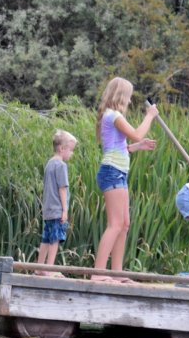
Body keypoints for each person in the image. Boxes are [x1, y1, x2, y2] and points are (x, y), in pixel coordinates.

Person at [92, 77, 158, 283]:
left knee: (125, 224)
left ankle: (117, 273)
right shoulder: (114, 115)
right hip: (112, 171)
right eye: (128, 97)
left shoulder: (112, 116)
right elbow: (137, 134)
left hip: (118, 171)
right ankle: (98, 274)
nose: (130, 101)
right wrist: (150, 116)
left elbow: (121, 146)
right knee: (115, 224)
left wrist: (137, 148)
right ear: (121, 96)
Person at [36, 129, 77, 275]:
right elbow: (62, 189)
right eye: (70, 150)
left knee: (46, 239)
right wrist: (65, 210)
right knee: (55, 239)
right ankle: (49, 269)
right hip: (57, 209)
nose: (71, 154)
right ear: (61, 149)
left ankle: (39, 268)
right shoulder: (61, 166)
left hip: (48, 209)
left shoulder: (49, 164)